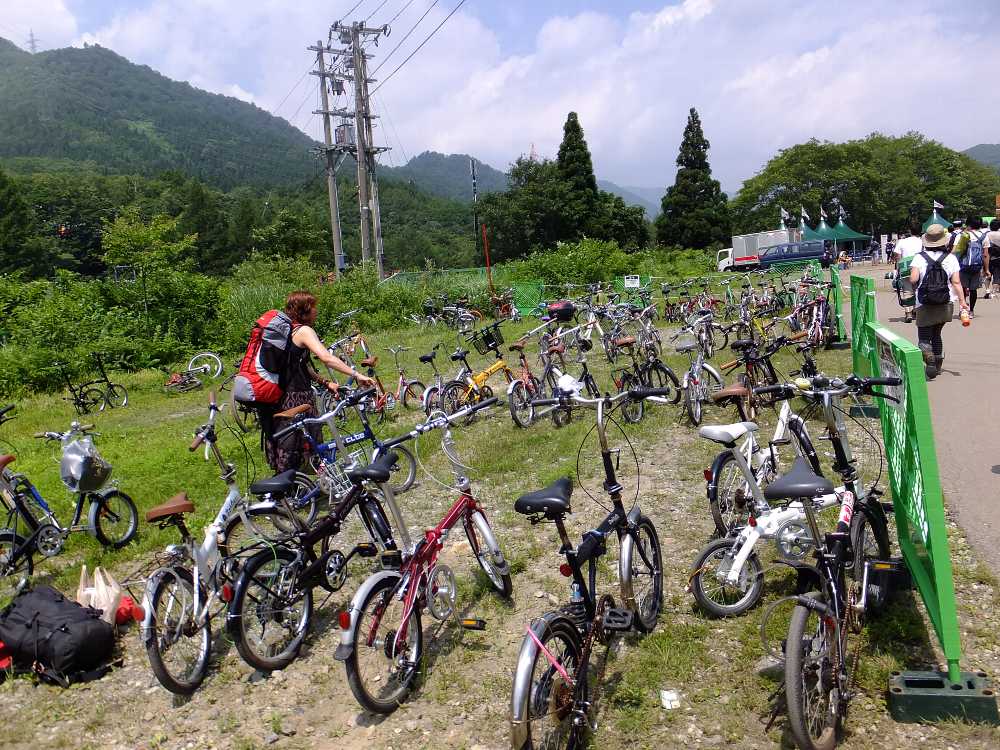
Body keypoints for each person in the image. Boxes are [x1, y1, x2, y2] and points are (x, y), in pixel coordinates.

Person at [264, 290, 374, 473]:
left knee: (298, 447)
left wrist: (325, 382)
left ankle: (303, 482)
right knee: (301, 446)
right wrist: (357, 375)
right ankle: (295, 485)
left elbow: (301, 366)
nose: (316, 311)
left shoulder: (290, 331)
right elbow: (326, 358)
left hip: (283, 397)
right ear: (305, 309)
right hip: (297, 398)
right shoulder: (303, 331)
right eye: (314, 307)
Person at [909, 224, 969, 380]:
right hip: (945, 302)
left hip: (924, 303)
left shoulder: (919, 257)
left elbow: (913, 279)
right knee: (937, 333)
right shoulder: (951, 258)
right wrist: (963, 302)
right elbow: (956, 282)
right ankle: (937, 364)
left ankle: (928, 358)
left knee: (924, 336)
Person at [951, 216, 987, 317]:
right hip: (977, 266)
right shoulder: (983, 236)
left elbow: (955, 251)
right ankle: (971, 310)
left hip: (963, 265)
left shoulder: (962, 235)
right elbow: (985, 255)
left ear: (968, 224)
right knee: (973, 289)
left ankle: (963, 309)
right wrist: (986, 269)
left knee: (962, 287)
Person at [894, 223, 924, 323]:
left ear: (910, 231)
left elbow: (898, 256)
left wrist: (898, 268)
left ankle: (908, 313)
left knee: (907, 290)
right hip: (919, 267)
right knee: (917, 289)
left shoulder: (902, 241)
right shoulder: (922, 241)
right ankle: (916, 310)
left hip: (905, 267)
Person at [984, 218, 1000, 298]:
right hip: (998, 257)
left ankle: (987, 290)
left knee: (987, 273)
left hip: (988, 256)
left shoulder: (987, 234)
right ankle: (993, 292)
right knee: (997, 275)